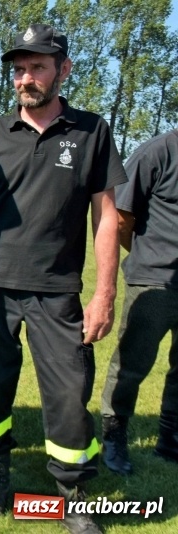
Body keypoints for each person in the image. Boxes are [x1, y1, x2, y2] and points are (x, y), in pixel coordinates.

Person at [0, 24, 126, 534]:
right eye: (19, 69)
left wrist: (105, 294)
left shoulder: (91, 131)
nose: (25, 78)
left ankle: (72, 494)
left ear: (63, 69)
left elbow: (106, 216)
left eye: (37, 67)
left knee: (68, 394)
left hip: (56, 289)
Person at [100, 129, 178, 475]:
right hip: (154, 279)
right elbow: (121, 216)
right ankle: (114, 435)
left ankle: (170, 437)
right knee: (132, 363)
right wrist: (147, 257)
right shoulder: (157, 151)